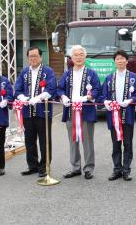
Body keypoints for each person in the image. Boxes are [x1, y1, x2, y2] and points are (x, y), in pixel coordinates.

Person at [57, 45, 101, 180]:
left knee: (87, 141)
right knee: (73, 140)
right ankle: (75, 167)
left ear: (85, 56)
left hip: (86, 110)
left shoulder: (91, 73)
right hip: (70, 111)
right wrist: (63, 97)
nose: (79, 57)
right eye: (76, 55)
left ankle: (88, 168)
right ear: (71, 57)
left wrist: (86, 98)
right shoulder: (67, 73)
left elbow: (97, 90)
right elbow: (60, 89)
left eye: (81, 54)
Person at [15, 46, 56, 178]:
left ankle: (44, 166)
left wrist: (38, 98)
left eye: (35, 56)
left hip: (42, 111)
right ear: (27, 58)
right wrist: (23, 98)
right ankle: (32, 165)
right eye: (30, 56)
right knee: (29, 140)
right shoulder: (24, 72)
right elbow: (17, 89)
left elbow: (51, 89)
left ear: (40, 57)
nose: (33, 58)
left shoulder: (48, 71)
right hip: (27, 111)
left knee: (44, 140)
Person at [101, 50, 136, 181]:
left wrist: (130, 100)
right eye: (117, 59)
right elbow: (103, 94)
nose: (119, 61)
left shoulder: (133, 77)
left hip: (128, 114)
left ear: (126, 61)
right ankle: (117, 169)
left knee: (128, 143)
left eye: (122, 59)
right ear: (114, 62)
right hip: (113, 116)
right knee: (116, 143)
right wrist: (106, 101)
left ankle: (126, 170)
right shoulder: (109, 78)